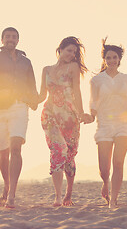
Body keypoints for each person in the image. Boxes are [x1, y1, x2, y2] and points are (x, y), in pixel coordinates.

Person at [0, 27, 38, 208]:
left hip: (20, 107)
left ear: (18, 40)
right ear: (2, 39)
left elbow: (32, 85)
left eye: (14, 37)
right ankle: (6, 185)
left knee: (16, 148)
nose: (10, 39)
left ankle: (12, 195)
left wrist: (34, 99)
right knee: (3, 153)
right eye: (7, 36)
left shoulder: (26, 62)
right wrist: (0, 92)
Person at [37, 36, 89, 207]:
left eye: (74, 52)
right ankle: (58, 196)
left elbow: (77, 91)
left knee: (69, 156)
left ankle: (68, 194)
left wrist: (81, 113)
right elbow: (41, 95)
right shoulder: (46, 70)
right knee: (58, 150)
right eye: (69, 50)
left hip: (69, 116)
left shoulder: (73, 67)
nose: (71, 54)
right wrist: (27, 99)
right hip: (50, 114)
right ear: (60, 50)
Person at [85, 38, 127, 208]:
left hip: (123, 124)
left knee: (118, 162)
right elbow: (93, 103)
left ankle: (113, 199)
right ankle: (105, 182)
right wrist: (90, 116)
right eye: (108, 58)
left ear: (119, 59)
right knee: (104, 168)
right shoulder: (96, 80)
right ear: (104, 60)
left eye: (115, 57)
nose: (112, 61)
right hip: (104, 125)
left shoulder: (126, 78)